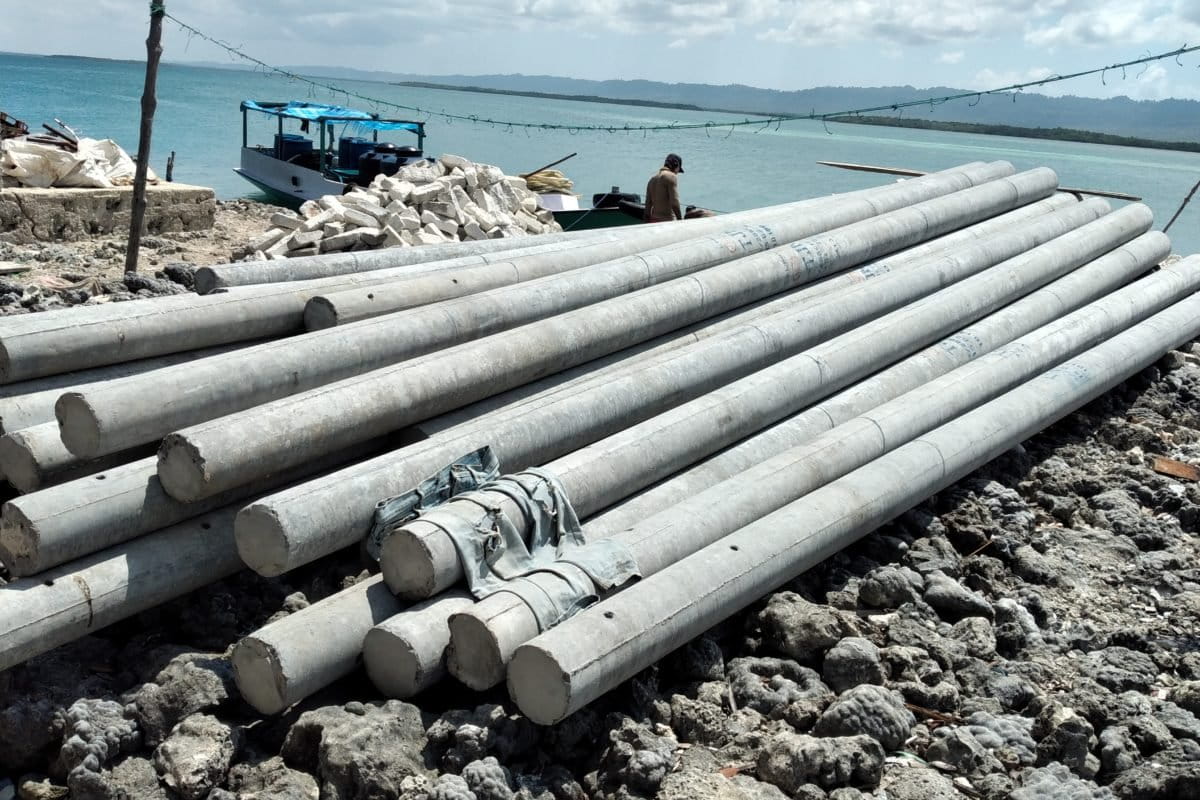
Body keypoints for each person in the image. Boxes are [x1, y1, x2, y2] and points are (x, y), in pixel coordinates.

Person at [644, 153, 684, 222]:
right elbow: (674, 203)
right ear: (676, 165)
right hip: (667, 221)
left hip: (654, 221)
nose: (677, 173)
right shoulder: (671, 177)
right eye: (678, 170)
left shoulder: (652, 180)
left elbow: (648, 206)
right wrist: (680, 221)